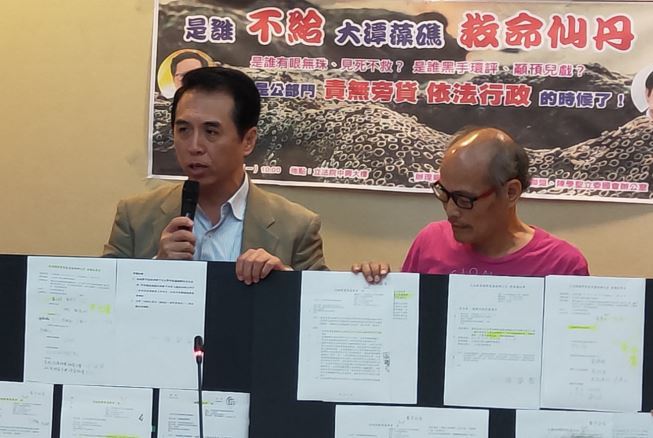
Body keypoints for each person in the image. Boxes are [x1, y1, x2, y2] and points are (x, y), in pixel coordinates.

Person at [104, 67, 327, 283]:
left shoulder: (297, 226)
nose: (194, 146)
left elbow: (321, 302)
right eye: (184, 130)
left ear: (248, 141)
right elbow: (101, 299)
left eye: (211, 132)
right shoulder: (135, 217)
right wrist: (155, 268)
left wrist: (285, 282)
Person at [352, 127, 589, 282]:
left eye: (464, 199)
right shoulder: (430, 241)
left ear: (510, 192)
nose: (451, 211)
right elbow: (407, 324)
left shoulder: (562, 264)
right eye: (444, 193)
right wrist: (374, 285)